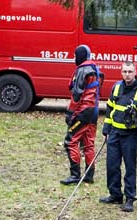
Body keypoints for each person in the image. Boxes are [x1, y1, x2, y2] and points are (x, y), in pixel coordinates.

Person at [100, 61, 137, 212]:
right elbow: (110, 108)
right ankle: (115, 194)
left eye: (130, 71)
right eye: (124, 71)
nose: (127, 75)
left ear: (135, 72)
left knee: (130, 167)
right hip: (115, 134)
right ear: (121, 72)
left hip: (131, 135)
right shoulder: (116, 87)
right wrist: (106, 128)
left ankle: (130, 198)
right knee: (112, 165)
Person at [60, 45, 102, 185]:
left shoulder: (82, 70)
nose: (74, 58)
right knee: (88, 143)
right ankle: (89, 175)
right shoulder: (95, 69)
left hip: (83, 112)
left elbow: (77, 95)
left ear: (80, 56)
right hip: (94, 110)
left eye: (75, 55)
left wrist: (70, 113)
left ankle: (75, 174)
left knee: (71, 141)